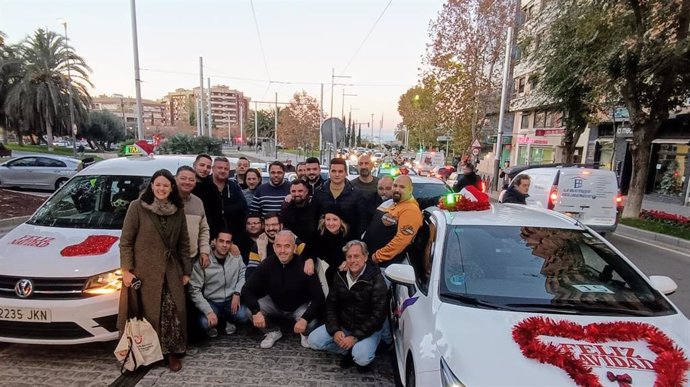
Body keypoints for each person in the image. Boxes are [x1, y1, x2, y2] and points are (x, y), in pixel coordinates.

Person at [118, 169, 191, 372]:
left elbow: (184, 242)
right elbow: (126, 242)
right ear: (152, 186)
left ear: (171, 188)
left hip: (171, 270)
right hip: (144, 272)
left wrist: (187, 271)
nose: (161, 188)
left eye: (165, 185)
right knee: (147, 313)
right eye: (158, 184)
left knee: (173, 311)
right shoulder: (137, 207)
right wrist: (126, 270)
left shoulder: (177, 209)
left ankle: (172, 353)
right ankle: (148, 353)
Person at [308, 240, 388, 372]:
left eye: (356, 256)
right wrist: (335, 330)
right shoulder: (340, 275)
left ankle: (359, 351)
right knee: (313, 340)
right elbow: (331, 305)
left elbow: (378, 315)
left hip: (367, 330)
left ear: (366, 257)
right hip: (344, 325)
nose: (352, 260)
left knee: (362, 358)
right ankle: (348, 351)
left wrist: (354, 337)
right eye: (349, 257)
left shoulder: (377, 279)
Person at [241, 231, 325, 349]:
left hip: (299, 307)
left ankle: (304, 333)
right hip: (275, 303)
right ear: (274, 247)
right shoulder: (267, 264)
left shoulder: (304, 264)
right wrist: (256, 311)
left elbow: (319, 297)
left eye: (287, 246)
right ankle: (273, 331)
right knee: (250, 311)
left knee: (312, 322)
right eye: (279, 246)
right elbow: (246, 289)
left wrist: (305, 319)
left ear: (295, 247)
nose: (282, 250)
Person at [189, 229, 250, 338]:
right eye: (221, 241)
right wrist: (208, 311)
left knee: (245, 316)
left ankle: (226, 321)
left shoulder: (236, 257)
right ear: (214, 242)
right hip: (212, 302)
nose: (224, 245)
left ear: (231, 244)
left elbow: (243, 275)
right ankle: (219, 322)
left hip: (230, 301)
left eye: (228, 242)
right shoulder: (204, 260)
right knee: (204, 323)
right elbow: (194, 290)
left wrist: (237, 293)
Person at [363, 175, 423, 269]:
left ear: (410, 189)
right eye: (395, 186)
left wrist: (376, 257)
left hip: (385, 267)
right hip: (370, 261)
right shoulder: (391, 203)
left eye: (402, 187)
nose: (397, 189)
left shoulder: (411, 210)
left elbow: (400, 241)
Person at [193, 157, 248, 239]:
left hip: (231, 237)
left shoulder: (234, 187)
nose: (223, 171)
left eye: (226, 169)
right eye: (220, 168)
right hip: (206, 235)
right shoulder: (203, 185)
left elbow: (243, 209)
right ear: (213, 169)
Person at [313, 158, 367, 238]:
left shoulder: (356, 193)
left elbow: (362, 220)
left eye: (340, 171)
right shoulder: (319, 192)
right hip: (323, 241)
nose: (337, 174)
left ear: (346, 173)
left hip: (348, 242)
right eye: (334, 171)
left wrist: (354, 239)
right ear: (329, 172)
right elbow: (313, 218)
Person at [246, 212, 305, 278]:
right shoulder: (259, 244)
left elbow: (306, 264)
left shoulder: (293, 240)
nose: (271, 228)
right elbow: (250, 275)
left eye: (274, 224)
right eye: (267, 225)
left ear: (281, 225)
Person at [303, 207, 352, 284]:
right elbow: (308, 251)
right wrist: (309, 259)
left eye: (335, 219)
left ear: (341, 221)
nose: (330, 223)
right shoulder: (316, 235)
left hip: (341, 279)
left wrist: (349, 262)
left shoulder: (349, 236)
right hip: (321, 278)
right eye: (328, 219)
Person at [175, 166, 211, 269]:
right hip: (169, 258)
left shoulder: (198, 202)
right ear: (175, 179)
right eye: (183, 178)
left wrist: (204, 251)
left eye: (191, 180)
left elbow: (204, 229)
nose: (187, 182)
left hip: (191, 258)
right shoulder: (166, 200)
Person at [281, 179, 321, 248]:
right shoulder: (286, 207)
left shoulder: (315, 206)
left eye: (300, 191)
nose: (296, 194)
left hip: (313, 247)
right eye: (293, 191)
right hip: (293, 247)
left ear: (306, 192)